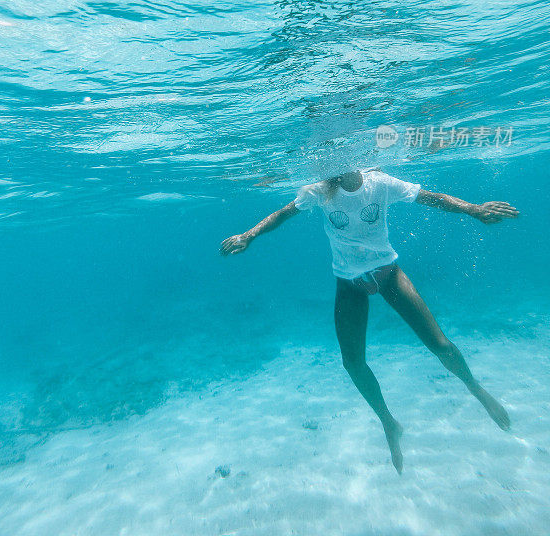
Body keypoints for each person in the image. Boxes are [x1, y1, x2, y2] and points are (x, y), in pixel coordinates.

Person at [220, 168, 520, 473]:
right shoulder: (319, 190)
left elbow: (429, 197)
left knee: (439, 344)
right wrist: (249, 235)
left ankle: (476, 388)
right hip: (348, 283)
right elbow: (282, 214)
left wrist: (473, 209)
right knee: (352, 362)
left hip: (389, 273)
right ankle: (389, 422)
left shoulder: (380, 182)